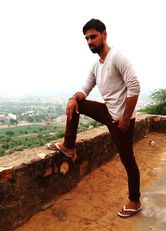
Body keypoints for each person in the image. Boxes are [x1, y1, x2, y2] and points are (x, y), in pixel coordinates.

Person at [47, 18, 142, 218]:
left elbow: (134, 87)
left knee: (127, 159)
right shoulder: (96, 66)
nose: (90, 41)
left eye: (93, 36)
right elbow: (85, 88)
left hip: (121, 119)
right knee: (77, 105)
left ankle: (134, 200)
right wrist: (74, 97)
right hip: (108, 111)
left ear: (104, 35)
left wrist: (125, 119)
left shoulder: (117, 57)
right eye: (87, 38)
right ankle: (69, 145)